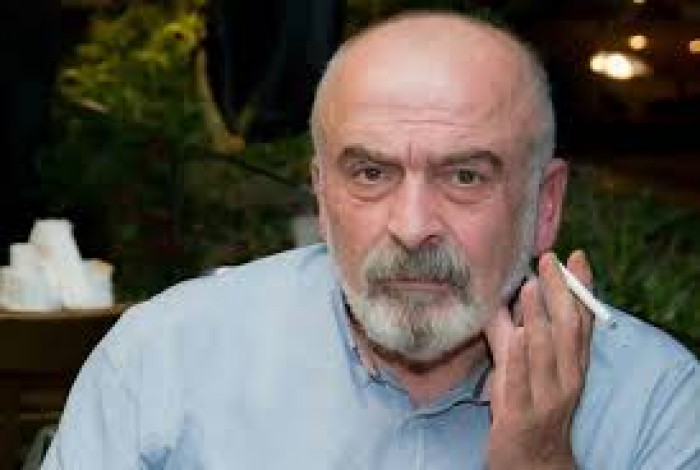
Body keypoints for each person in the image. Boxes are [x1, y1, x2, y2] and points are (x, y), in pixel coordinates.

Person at [41, 11, 699, 470]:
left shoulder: (657, 400)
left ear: (544, 206)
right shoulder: (162, 360)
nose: (411, 227)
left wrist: (544, 463)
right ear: (321, 197)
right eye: (371, 174)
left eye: (465, 176)